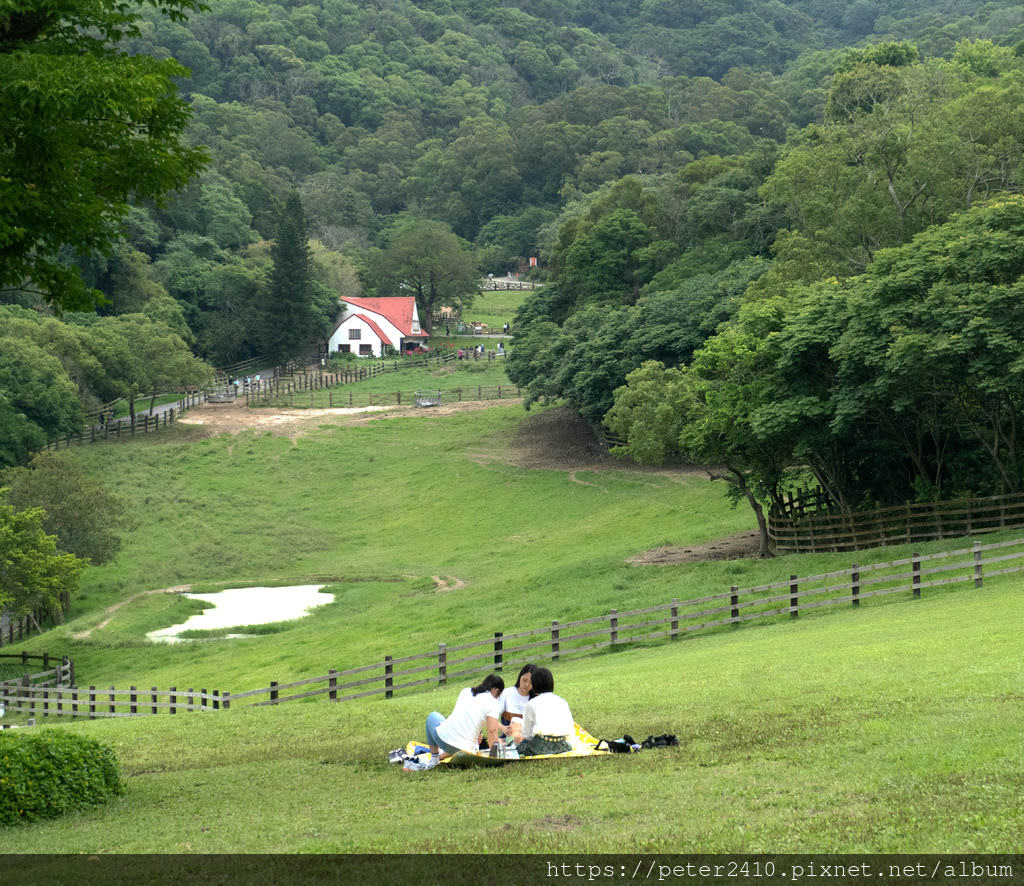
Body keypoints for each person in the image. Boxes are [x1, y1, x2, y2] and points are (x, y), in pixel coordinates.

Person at [421, 673, 505, 769]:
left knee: (433, 717)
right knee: (438, 719)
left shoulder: (465, 691)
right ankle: (438, 757)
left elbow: (467, 716)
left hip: (446, 742)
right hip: (467, 751)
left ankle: (434, 759)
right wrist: (494, 758)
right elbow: (492, 731)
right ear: (496, 691)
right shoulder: (493, 702)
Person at [516, 667, 574, 757]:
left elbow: (526, 734)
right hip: (562, 745)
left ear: (534, 685)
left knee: (520, 747)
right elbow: (570, 728)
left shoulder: (531, 704)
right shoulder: (562, 701)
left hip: (540, 746)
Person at [498, 664, 535, 739]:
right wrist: (503, 728)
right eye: (524, 680)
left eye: (531, 682)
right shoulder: (507, 693)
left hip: (528, 742)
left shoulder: (535, 700)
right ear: (519, 678)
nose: (527, 684)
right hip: (508, 739)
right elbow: (491, 718)